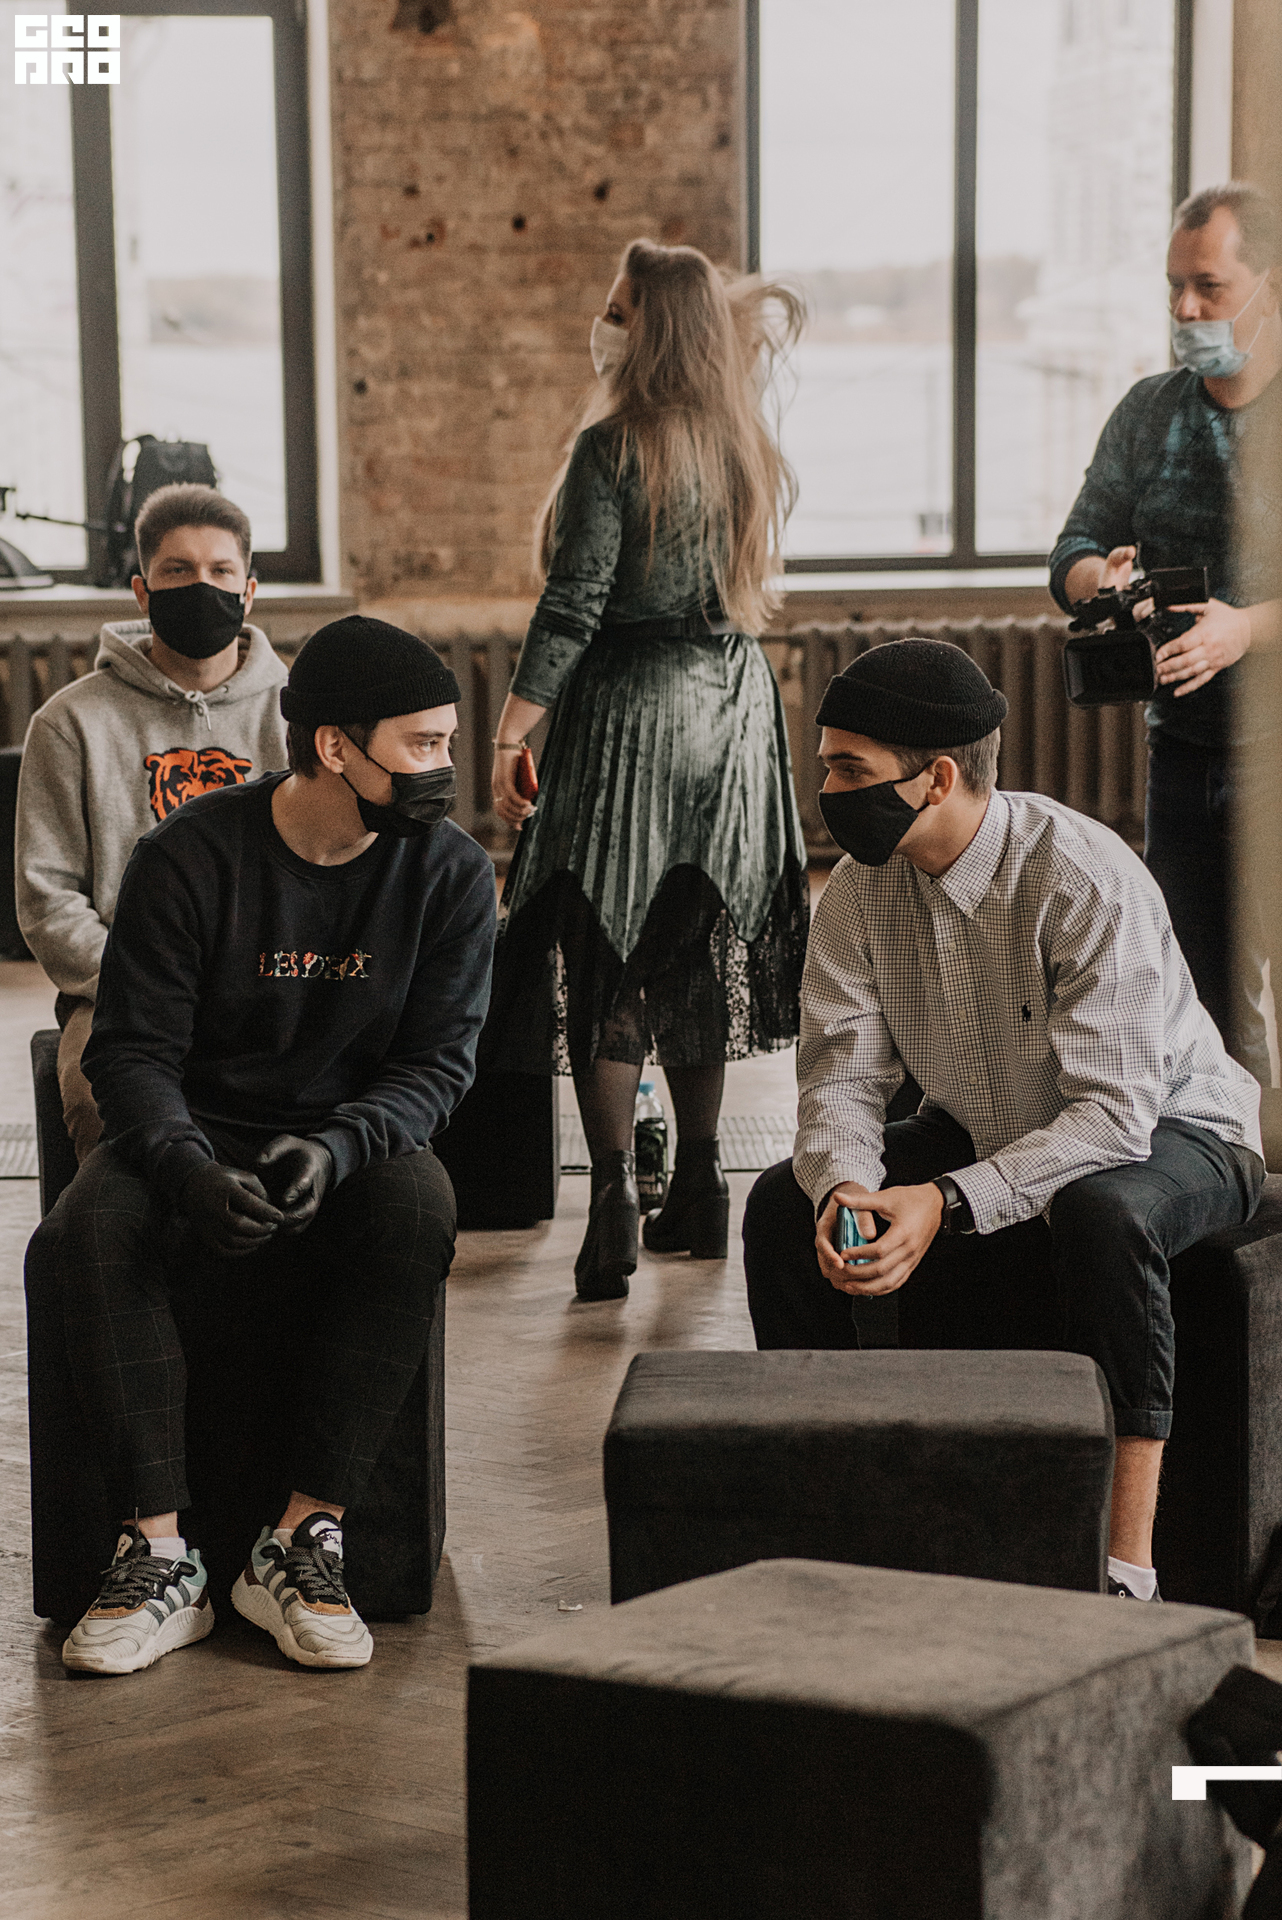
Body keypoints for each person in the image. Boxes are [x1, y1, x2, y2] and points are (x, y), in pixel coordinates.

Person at [743, 640, 1263, 1603]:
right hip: (987, 1123)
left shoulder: (1081, 875)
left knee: (1103, 1213)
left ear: (936, 778)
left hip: (1175, 1126)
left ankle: (1126, 1570)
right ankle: (834, 1518)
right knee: (782, 1205)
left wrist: (944, 1201)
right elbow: (841, 1082)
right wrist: (847, 1187)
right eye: (826, 768)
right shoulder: (856, 891)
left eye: (849, 770)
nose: (827, 791)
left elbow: (1112, 1116)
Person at [25, 616, 496, 1675]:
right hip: (194, 1131)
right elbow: (131, 1051)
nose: (444, 768)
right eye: (424, 744)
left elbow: (438, 1066)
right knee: (81, 1234)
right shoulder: (188, 855)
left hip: (347, 1140)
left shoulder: (453, 875)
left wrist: (338, 1149)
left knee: (419, 1206)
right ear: (336, 746)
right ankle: (159, 1556)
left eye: (448, 742)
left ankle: (302, 1539)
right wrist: (185, 1165)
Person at [484, 237, 810, 1301]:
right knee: (690, 946)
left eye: (617, 309)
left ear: (652, 328)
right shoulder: (744, 444)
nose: (604, 326)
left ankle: (615, 1198)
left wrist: (512, 733)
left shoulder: (612, 449)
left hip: (629, 709)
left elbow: (574, 601)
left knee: (604, 955)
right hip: (733, 706)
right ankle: (703, 1186)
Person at [1049, 182, 1282, 1083]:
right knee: (1200, 1009)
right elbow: (1073, 548)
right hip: (1181, 754)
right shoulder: (1149, 412)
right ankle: (1232, 1156)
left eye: (1209, 287)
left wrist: (1244, 631)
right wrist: (1100, 582)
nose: (1186, 309)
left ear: (1270, 286)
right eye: (1174, 286)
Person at [16, 482, 288, 1161]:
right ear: (142, 592)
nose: (203, 586)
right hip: (120, 993)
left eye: (220, 571)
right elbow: (47, 898)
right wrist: (143, 984)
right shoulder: (69, 723)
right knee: (98, 1099)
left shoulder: (298, 717)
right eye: (178, 571)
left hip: (274, 984)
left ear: (249, 591)